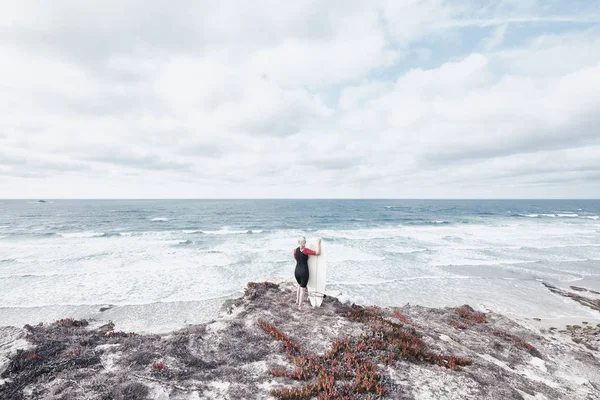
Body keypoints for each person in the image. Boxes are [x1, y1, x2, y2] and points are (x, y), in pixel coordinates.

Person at [293, 236, 321, 309]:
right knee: (303, 289)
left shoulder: (295, 250)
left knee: (299, 285)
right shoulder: (306, 250)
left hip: (296, 271)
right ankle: (300, 306)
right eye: (304, 241)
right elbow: (318, 253)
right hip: (304, 272)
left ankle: (297, 300)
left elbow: (296, 258)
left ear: (298, 242)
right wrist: (318, 243)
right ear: (304, 242)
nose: (305, 243)